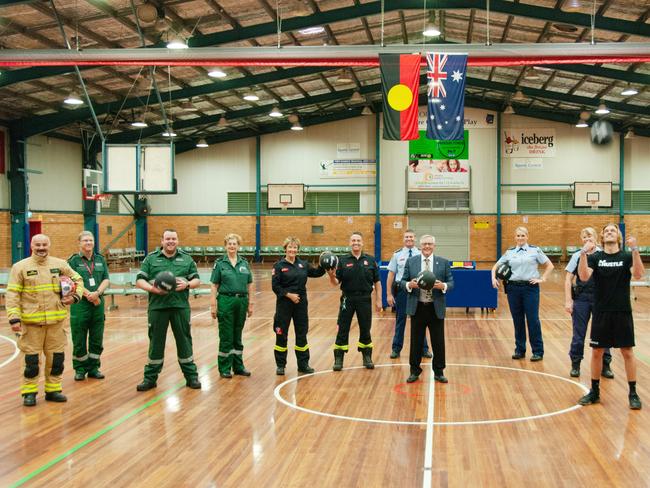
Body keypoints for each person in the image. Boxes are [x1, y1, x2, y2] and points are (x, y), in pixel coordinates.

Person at [6, 234, 83, 406]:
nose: (41, 248)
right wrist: (14, 318)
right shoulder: (20, 267)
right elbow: (12, 295)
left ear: (49, 245)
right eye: (38, 245)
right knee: (31, 362)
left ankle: (53, 390)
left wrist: (75, 297)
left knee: (56, 360)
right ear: (31, 246)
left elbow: (78, 279)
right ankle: (29, 392)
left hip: (56, 324)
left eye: (44, 244)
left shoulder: (60, 265)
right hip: (31, 325)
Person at [577, 224, 645, 410]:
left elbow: (638, 275)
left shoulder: (626, 256)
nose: (609, 232)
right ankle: (595, 391)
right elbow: (583, 277)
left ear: (618, 236)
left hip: (622, 311)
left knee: (627, 352)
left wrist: (635, 250)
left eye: (612, 231)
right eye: (606, 231)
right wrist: (583, 253)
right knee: (597, 352)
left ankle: (633, 393)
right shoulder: (596, 257)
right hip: (601, 312)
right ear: (602, 237)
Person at [135, 229, 201, 391]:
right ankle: (150, 378)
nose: (170, 241)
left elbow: (197, 280)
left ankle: (191, 377)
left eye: (173, 239)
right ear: (162, 241)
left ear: (177, 241)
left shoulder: (186, 259)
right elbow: (139, 280)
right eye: (167, 239)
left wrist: (187, 285)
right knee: (156, 343)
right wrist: (153, 289)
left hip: (180, 307)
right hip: (158, 308)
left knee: (184, 341)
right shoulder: (151, 259)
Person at [491, 227, 554, 361]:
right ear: (515, 237)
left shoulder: (534, 250)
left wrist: (542, 278)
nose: (520, 238)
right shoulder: (510, 252)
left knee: (533, 320)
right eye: (518, 235)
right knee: (517, 320)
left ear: (527, 236)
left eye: (522, 235)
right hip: (513, 289)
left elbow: (550, 265)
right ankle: (520, 350)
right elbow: (495, 267)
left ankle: (538, 351)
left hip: (530, 288)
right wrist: (493, 278)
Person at [401, 235, 454, 383]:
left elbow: (451, 283)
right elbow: (402, 282)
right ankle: (414, 371)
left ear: (434, 246)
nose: (427, 246)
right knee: (415, 341)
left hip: (435, 307)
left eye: (430, 244)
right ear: (420, 245)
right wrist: (408, 285)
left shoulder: (443, 262)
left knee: (438, 341)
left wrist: (442, 286)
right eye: (424, 244)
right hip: (417, 307)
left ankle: (439, 371)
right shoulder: (411, 262)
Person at [327, 231, 382, 371]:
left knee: (365, 329)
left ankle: (367, 357)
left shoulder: (370, 260)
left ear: (362, 243)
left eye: (358, 240)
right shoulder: (342, 260)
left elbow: (377, 282)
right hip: (347, 298)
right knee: (343, 328)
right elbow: (336, 283)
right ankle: (339, 358)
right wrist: (331, 276)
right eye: (353, 240)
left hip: (365, 299)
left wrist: (379, 300)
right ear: (350, 243)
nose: (356, 243)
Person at [271, 237, 326, 375]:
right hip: (284, 304)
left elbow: (317, 272)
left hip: (301, 304)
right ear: (285, 248)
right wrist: (289, 295)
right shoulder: (278, 266)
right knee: (281, 334)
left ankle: (303, 364)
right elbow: (275, 287)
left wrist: (323, 262)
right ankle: (280, 365)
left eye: (295, 247)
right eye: (290, 247)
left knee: (302, 334)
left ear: (298, 249)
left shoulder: (303, 264)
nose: (292, 250)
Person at [564, 227, 613, 379]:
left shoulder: (603, 254)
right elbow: (568, 279)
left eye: (589, 236)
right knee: (578, 334)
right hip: (582, 298)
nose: (587, 239)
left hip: (600, 299)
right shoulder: (578, 255)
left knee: (603, 333)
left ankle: (606, 365)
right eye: (584, 237)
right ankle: (576, 364)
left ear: (596, 238)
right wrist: (568, 300)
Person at [68, 231, 110, 381]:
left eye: (90, 240)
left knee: (96, 337)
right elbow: (72, 282)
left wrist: (97, 293)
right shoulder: (73, 261)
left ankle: (94, 367)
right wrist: (89, 295)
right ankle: (80, 369)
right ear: (79, 243)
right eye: (85, 240)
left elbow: (106, 279)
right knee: (79, 337)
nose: (88, 243)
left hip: (98, 304)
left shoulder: (100, 259)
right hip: (80, 304)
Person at [210, 233, 254, 379]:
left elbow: (250, 284)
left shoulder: (244, 263)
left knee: (238, 336)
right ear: (225, 246)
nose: (232, 246)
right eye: (229, 244)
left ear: (238, 246)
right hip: (225, 301)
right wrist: (213, 305)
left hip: (241, 302)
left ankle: (238, 366)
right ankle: (224, 367)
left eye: (234, 244)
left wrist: (250, 304)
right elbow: (214, 285)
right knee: (226, 336)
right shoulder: (220, 263)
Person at [386, 229, 431, 359]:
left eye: (411, 237)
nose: (409, 239)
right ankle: (396, 349)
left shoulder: (421, 253)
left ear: (415, 239)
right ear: (403, 239)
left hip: (419, 290)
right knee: (401, 320)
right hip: (402, 290)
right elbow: (391, 274)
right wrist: (389, 294)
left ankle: (424, 349)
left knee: (421, 320)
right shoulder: (397, 255)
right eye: (406, 237)